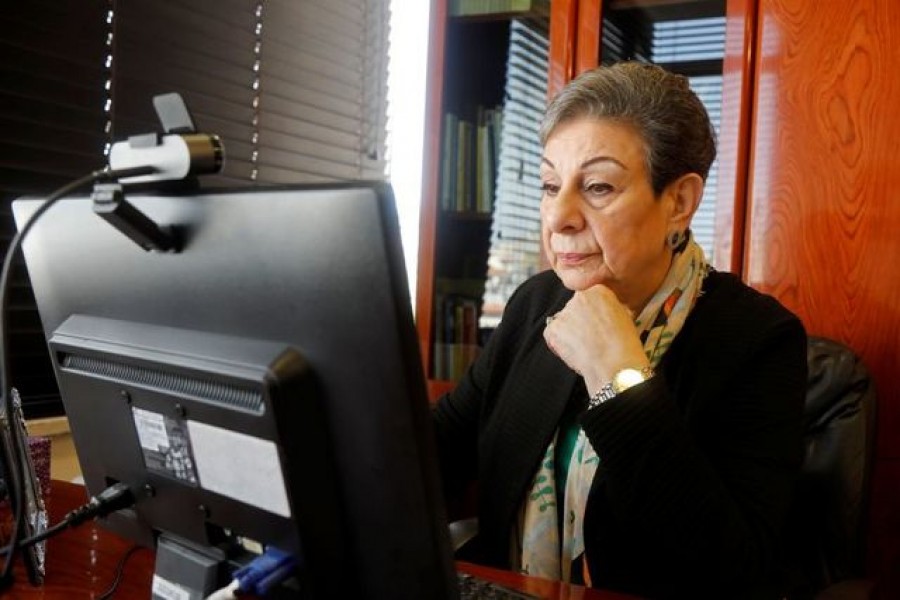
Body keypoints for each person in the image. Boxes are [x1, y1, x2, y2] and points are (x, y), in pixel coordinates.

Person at [432, 62, 807, 599]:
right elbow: (437, 449)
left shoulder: (758, 339)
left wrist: (618, 376)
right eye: (548, 185)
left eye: (599, 186)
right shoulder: (534, 304)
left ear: (678, 201)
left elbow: (734, 567)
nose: (558, 216)